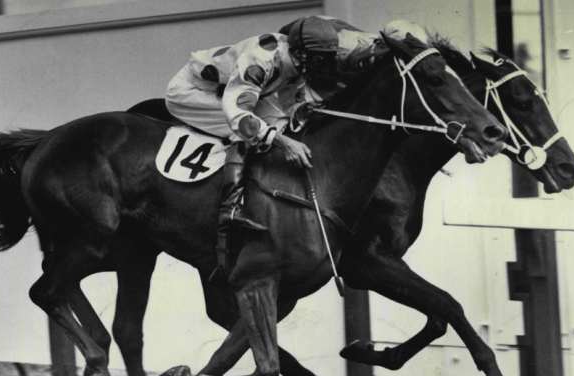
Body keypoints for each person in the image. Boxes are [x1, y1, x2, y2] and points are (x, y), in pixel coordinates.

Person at [165, 16, 415, 274]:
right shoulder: (260, 62)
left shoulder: (297, 59)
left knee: (279, 123)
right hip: (192, 92)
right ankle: (232, 209)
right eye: (321, 60)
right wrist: (284, 143)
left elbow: (291, 105)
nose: (326, 65)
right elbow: (239, 115)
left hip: (232, 88)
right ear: (301, 55)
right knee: (248, 132)